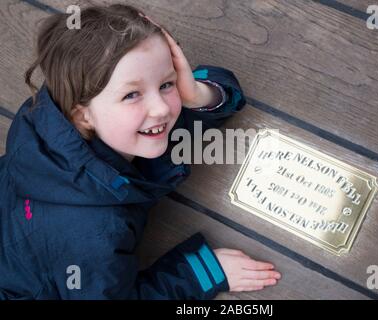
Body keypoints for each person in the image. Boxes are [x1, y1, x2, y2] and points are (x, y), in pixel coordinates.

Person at [0, 3, 281, 299]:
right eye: (132, 94)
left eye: (167, 83)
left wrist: (196, 94)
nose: (160, 108)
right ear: (82, 115)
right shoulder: (93, 235)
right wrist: (200, 273)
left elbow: (199, 104)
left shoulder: (67, 117)